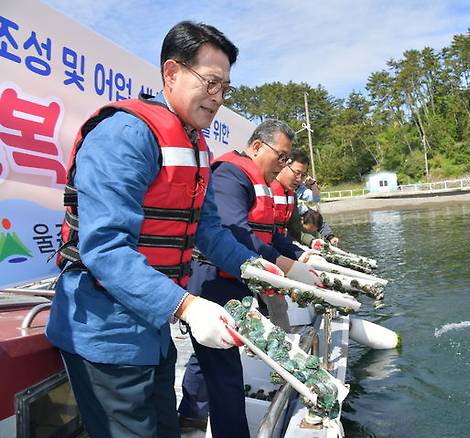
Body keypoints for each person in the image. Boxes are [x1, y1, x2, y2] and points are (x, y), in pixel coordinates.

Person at [44, 21, 270, 438]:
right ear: (172, 73)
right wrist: (187, 307)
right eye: (211, 82)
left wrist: (258, 269)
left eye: (226, 88)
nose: (218, 98)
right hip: (105, 335)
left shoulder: (196, 145)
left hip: (153, 331)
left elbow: (209, 230)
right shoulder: (125, 134)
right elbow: (105, 249)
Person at [179, 120, 322, 437]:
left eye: (288, 160)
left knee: (211, 358)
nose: (283, 166)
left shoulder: (260, 183)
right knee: (225, 372)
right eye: (281, 157)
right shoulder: (232, 174)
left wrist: (299, 259)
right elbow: (233, 234)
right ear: (257, 146)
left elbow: (269, 236)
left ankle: (189, 416)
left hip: (238, 276)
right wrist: (285, 267)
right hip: (214, 279)